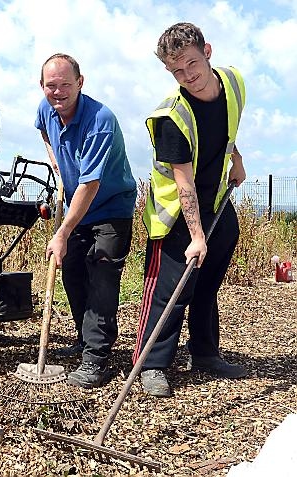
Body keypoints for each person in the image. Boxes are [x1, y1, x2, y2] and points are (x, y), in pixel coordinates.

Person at [133, 22, 248, 398]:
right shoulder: (170, 118)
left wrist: (236, 157)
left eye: (191, 64)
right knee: (167, 291)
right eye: (176, 70)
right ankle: (150, 365)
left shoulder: (232, 83)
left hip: (215, 198)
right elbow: (183, 185)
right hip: (175, 213)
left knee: (207, 283)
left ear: (208, 52)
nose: (188, 76)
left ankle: (204, 354)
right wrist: (197, 236)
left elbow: (225, 130)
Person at [36, 53, 137, 388]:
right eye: (52, 85)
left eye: (66, 84)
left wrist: (62, 231)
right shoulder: (44, 110)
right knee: (74, 273)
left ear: (80, 83)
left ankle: (95, 357)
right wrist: (55, 163)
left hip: (111, 206)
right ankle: (85, 337)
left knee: (101, 274)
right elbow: (45, 133)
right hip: (79, 207)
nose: (59, 91)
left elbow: (90, 184)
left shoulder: (100, 120)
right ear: (42, 87)